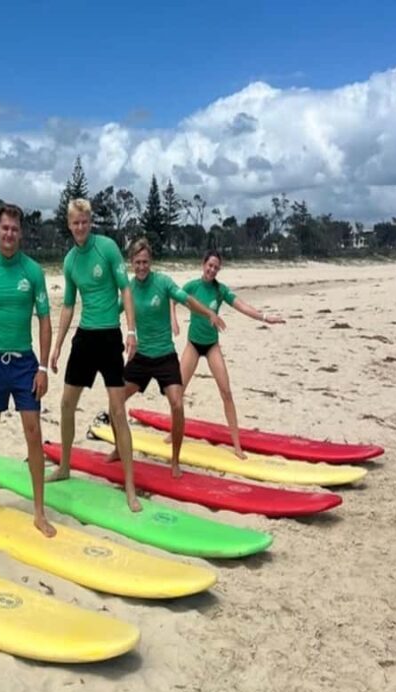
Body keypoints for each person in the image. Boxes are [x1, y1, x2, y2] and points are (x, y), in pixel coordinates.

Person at [0, 203, 56, 537]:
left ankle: (38, 511)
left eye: (14, 229)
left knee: (33, 432)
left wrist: (43, 367)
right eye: (4, 228)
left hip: (24, 364)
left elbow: (45, 321)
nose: (9, 234)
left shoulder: (32, 272)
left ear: (21, 233)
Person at [48, 198, 141, 512]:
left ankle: (129, 487)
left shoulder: (108, 248)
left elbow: (125, 289)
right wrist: (58, 344)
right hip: (85, 338)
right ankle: (64, 466)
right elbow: (69, 304)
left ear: (90, 221)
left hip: (109, 336)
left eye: (84, 221)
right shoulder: (71, 260)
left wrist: (131, 330)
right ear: (69, 224)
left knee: (117, 411)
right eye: (75, 222)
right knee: (65, 404)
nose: (80, 227)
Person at [110, 238, 225, 477]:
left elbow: (187, 299)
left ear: (150, 262)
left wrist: (209, 313)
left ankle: (174, 461)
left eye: (145, 262)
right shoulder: (128, 289)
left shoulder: (162, 282)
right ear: (131, 263)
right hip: (140, 357)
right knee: (115, 401)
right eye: (137, 262)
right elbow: (111, 314)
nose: (142, 266)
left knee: (177, 404)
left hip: (165, 356)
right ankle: (118, 448)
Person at [171, 250, 285, 458]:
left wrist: (265, 317)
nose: (212, 270)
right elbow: (173, 298)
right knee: (177, 392)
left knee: (226, 392)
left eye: (216, 267)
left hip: (212, 345)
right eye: (210, 265)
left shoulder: (220, 290)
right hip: (193, 345)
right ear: (203, 264)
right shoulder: (192, 286)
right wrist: (173, 319)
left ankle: (236, 445)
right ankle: (173, 432)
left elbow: (241, 305)